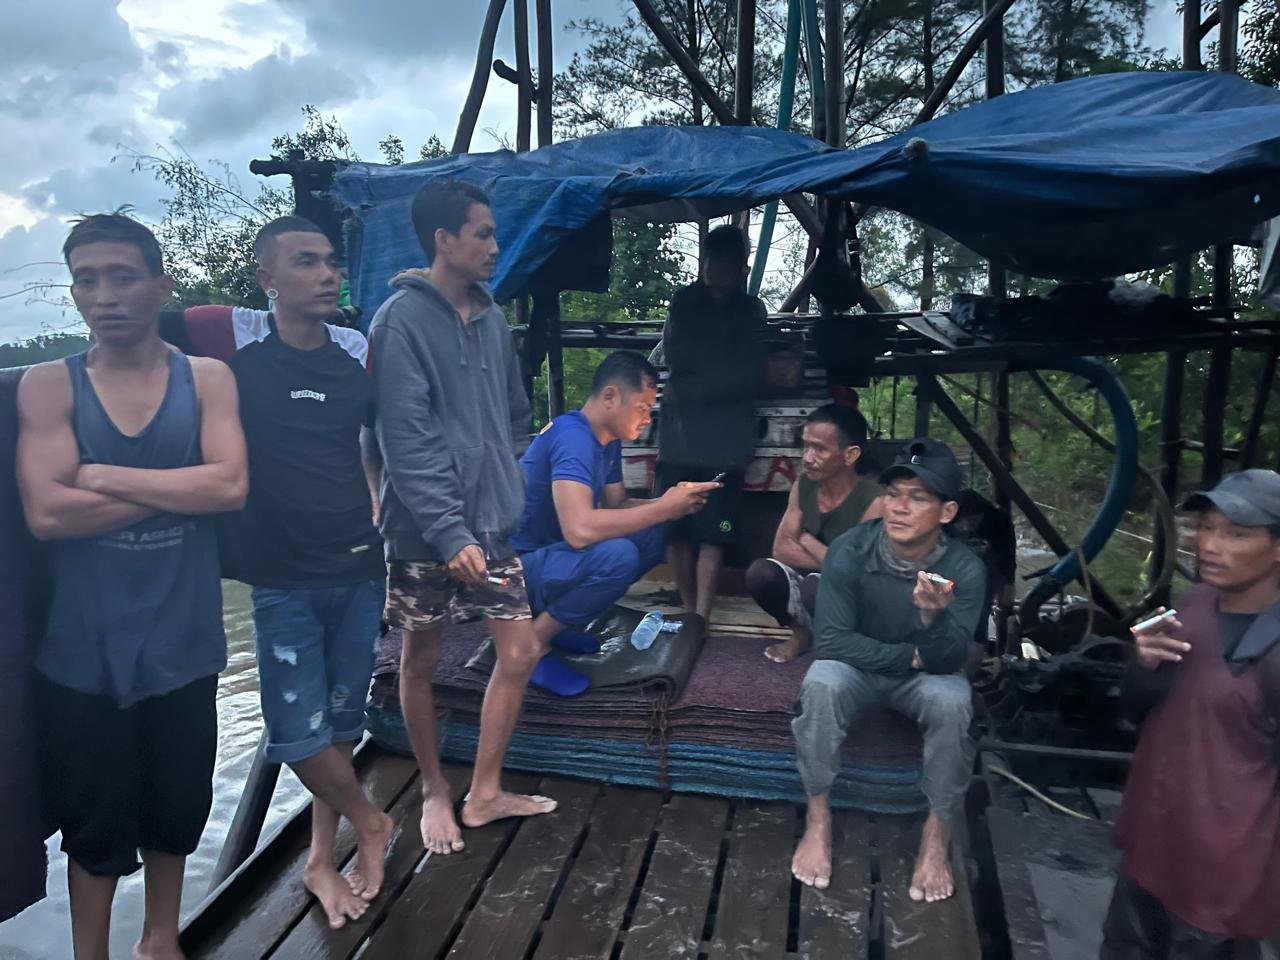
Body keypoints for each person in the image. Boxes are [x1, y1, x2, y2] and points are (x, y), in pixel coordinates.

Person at [15, 213, 248, 960]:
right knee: (94, 826)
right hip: (83, 651)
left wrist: (103, 475)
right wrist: (183, 487)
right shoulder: (49, 385)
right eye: (86, 280)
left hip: (184, 641)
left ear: (161, 285)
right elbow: (48, 514)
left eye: (122, 276)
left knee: (177, 809)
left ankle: (160, 941)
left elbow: (231, 487)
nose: (104, 296)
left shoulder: (205, 378)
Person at [167, 216, 393, 929]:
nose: (327, 275)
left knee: (341, 724)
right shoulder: (228, 338)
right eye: (304, 262)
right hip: (281, 576)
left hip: (358, 563)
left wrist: (381, 500)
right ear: (266, 279)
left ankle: (321, 859)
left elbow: (388, 433)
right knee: (296, 733)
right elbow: (141, 325)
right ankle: (373, 822)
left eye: (330, 262)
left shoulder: (355, 348)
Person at [368, 179, 555, 858]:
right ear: (444, 240)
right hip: (423, 530)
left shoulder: (493, 318)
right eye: (483, 233)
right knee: (420, 658)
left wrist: (507, 481)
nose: (495, 246)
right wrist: (449, 530)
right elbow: (404, 438)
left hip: (491, 526)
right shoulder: (398, 321)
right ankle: (432, 789)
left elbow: (513, 412)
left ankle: (483, 791)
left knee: (521, 650)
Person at [790, 437, 985, 902]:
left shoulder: (965, 569)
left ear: (947, 512)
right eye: (894, 494)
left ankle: (936, 835)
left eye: (918, 498)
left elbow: (949, 660)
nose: (899, 508)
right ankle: (818, 819)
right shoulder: (850, 549)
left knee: (954, 701)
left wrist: (931, 619)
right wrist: (909, 656)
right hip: (858, 671)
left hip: (924, 680)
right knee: (821, 683)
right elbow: (831, 642)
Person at [1103, 469, 1280, 959]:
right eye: (1206, 528)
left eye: (1236, 534)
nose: (1209, 545)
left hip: (1223, 875)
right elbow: (1134, 712)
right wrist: (1143, 665)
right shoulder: (1195, 602)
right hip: (1152, 843)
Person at [511, 351, 719, 693]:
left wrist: (671, 503)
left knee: (651, 534)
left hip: (551, 557)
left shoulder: (604, 441)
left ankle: (557, 624)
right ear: (610, 396)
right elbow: (579, 531)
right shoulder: (573, 438)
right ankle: (531, 646)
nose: (647, 419)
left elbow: (618, 504)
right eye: (641, 408)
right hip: (513, 571)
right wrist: (664, 508)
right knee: (618, 555)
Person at [656, 223, 767, 621]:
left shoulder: (752, 310)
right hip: (680, 433)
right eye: (711, 261)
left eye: (725, 263)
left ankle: (700, 615)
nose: (715, 270)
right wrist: (706, 380)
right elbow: (676, 356)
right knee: (675, 525)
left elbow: (748, 372)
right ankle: (688, 608)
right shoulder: (683, 301)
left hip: (726, 436)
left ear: (741, 268)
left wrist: (699, 382)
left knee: (714, 529)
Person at [745, 404, 884, 664]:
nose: (807, 458)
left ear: (850, 455)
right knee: (761, 573)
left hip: (857, 601)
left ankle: (841, 644)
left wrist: (804, 538)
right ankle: (802, 635)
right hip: (818, 582)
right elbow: (780, 550)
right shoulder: (803, 485)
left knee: (815, 587)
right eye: (805, 446)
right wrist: (831, 560)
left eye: (819, 449)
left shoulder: (875, 501)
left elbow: (854, 571)